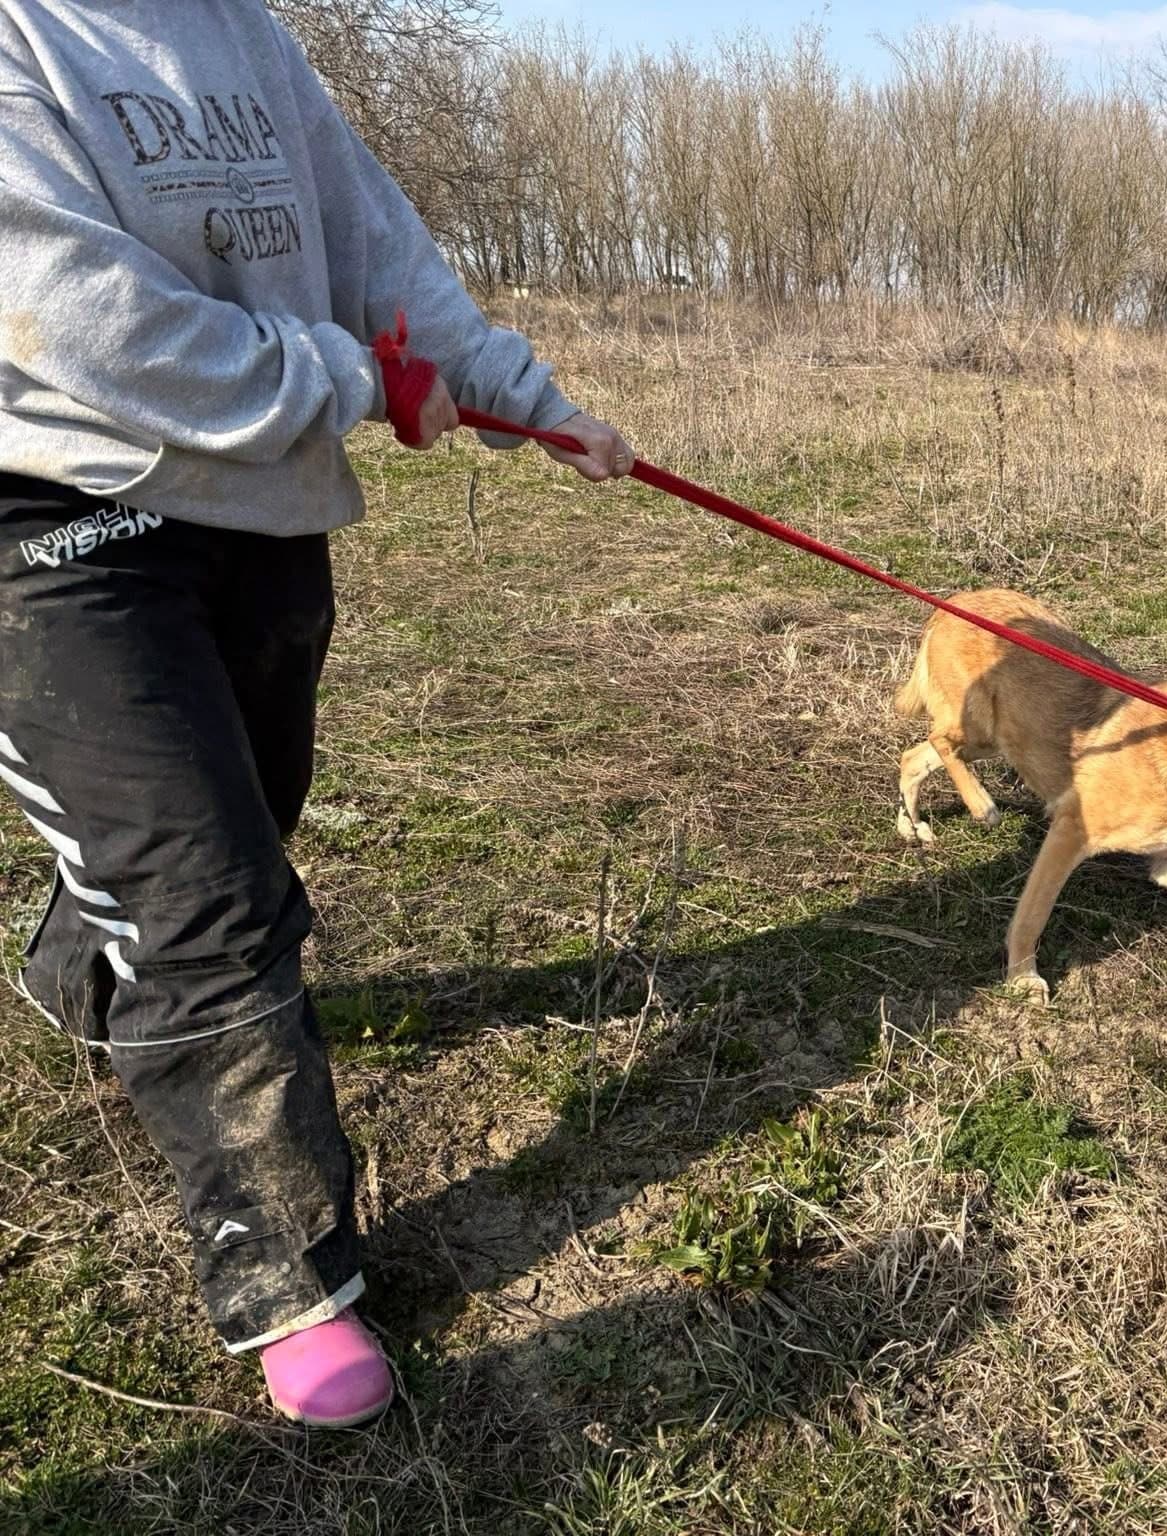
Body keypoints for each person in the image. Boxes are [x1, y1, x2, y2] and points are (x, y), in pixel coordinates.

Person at [0, 0, 634, 1427]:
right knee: (209, 904)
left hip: (263, 504)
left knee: (250, 804)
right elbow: (74, 314)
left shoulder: (244, 34)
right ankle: (290, 1277)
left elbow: (373, 245)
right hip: (52, 506)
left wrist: (514, 393)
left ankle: (88, 980)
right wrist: (345, 377)